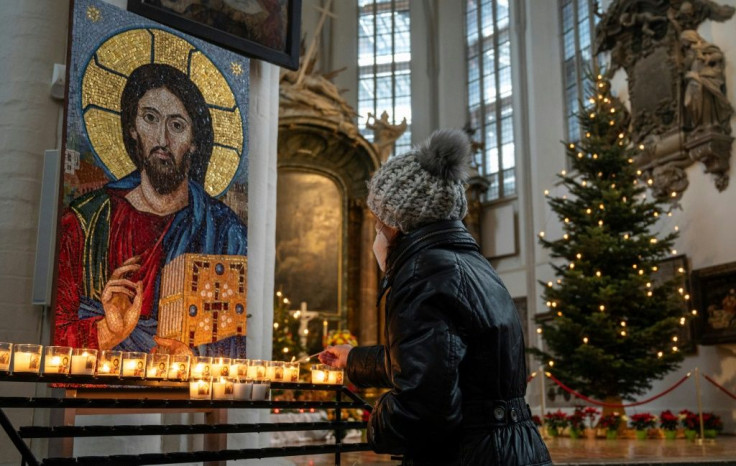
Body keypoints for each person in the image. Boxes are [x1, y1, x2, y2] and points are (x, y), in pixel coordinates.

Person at [320, 129, 551, 465]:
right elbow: (440, 362)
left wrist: (373, 425)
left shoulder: (422, 273)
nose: (377, 230)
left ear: (398, 221)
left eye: (378, 220)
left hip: (469, 455)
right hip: (510, 447)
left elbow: (425, 407)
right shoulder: (472, 264)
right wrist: (353, 359)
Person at [55, 63, 247, 357]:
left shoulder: (224, 231)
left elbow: (234, 341)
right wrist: (110, 331)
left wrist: (193, 362)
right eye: (150, 118)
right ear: (132, 128)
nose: (162, 140)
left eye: (177, 125)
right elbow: (55, 336)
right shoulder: (86, 221)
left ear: (194, 142)